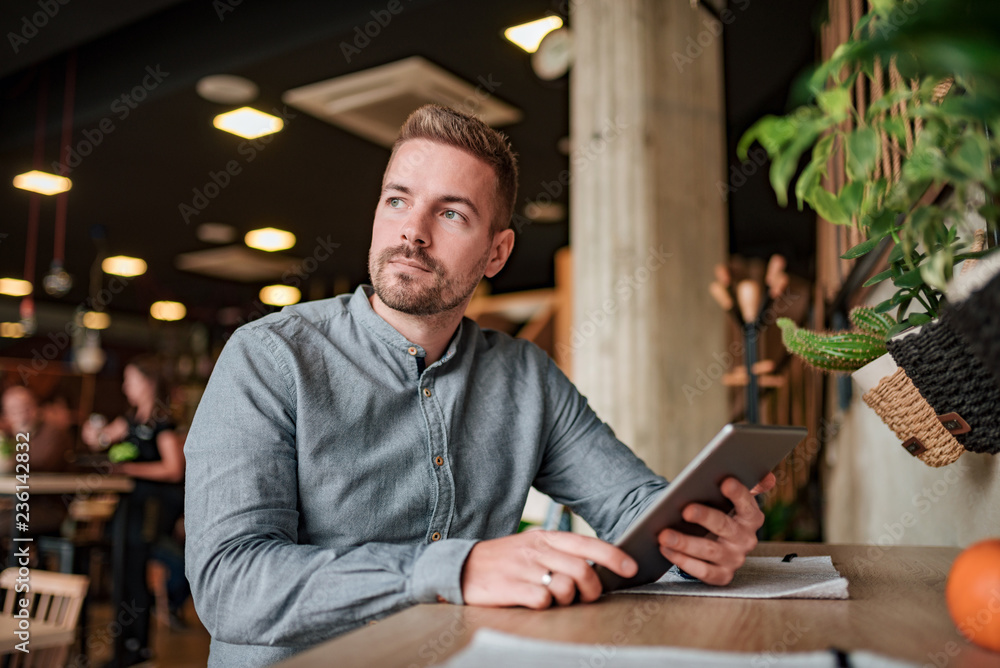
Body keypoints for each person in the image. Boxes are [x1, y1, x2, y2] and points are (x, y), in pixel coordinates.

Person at [184, 105, 774, 667]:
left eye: (451, 213)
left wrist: (696, 539)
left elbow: (629, 506)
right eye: (397, 201)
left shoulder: (526, 378)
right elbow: (228, 585)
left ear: (497, 252)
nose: (412, 231)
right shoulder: (269, 356)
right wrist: (453, 569)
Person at [81, 356, 188, 666]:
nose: (126, 386)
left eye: (131, 380)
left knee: (137, 574)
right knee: (123, 572)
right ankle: (123, 649)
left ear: (148, 383)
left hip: (153, 508)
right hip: (129, 507)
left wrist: (129, 468)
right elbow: (101, 439)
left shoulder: (161, 422)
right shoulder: (130, 420)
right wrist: (95, 435)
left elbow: (173, 468)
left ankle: (136, 649)